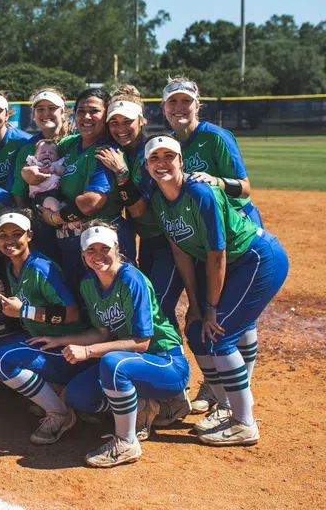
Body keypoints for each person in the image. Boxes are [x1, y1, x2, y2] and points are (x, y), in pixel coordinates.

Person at [145, 134, 288, 446]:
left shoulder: (199, 193)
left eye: (169, 157)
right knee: (196, 331)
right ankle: (227, 406)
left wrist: (210, 307)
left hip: (256, 258)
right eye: (154, 158)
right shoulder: (159, 200)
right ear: (146, 166)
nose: (162, 164)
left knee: (219, 335)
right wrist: (195, 304)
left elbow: (217, 256)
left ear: (181, 161)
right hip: (236, 264)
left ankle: (244, 422)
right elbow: (180, 252)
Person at [161, 77, 264, 413]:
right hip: (201, 236)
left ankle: (235, 391)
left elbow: (246, 188)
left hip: (235, 230)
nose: (179, 108)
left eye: (185, 102)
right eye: (172, 103)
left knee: (233, 317)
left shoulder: (215, 137)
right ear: (164, 108)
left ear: (197, 104)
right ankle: (218, 385)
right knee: (210, 309)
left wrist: (217, 181)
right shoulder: (169, 144)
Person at [52, 221, 190, 467]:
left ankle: (126, 442)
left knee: (113, 363)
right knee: (78, 396)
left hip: (166, 362)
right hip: (134, 363)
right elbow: (101, 332)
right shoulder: (88, 284)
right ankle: (146, 403)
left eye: (104, 248)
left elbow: (142, 342)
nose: (98, 255)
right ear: (83, 255)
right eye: (91, 250)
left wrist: (87, 351)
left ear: (116, 248)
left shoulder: (131, 280)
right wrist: (59, 340)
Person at [0, 211, 92, 444]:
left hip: (69, 349)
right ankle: (55, 389)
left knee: (2, 360)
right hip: (46, 342)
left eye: (17, 234)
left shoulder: (41, 268)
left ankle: (60, 413)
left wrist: (24, 311)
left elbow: (72, 313)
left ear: (30, 236)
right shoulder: (12, 267)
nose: (10, 240)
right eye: (3, 235)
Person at [94, 86, 183, 332]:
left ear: (141, 120)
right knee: (147, 304)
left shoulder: (151, 152)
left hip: (170, 241)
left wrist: (122, 173)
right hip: (147, 242)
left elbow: (138, 211)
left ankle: (174, 361)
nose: (120, 128)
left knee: (160, 308)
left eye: (127, 121)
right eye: (114, 122)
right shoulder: (123, 152)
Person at [28, 88, 133, 292]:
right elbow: (43, 163)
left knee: (111, 304)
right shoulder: (70, 143)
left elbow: (91, 202)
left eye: (94, 111)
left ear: (106, 114)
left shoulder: (106, 151)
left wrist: (54, 219)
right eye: (81, 111)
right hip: (72, 243)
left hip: (102, 242)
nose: (86, 117)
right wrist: (28, 172)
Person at [11, 88, 75, 262]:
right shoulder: (28, 148)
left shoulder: (77, 141)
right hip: (44, 225)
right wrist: (31, 223)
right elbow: (18, 193)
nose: (46, 113)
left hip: (77, 223)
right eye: (40, 109)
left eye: (52, 108)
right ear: (33, 114)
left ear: (63, 112)